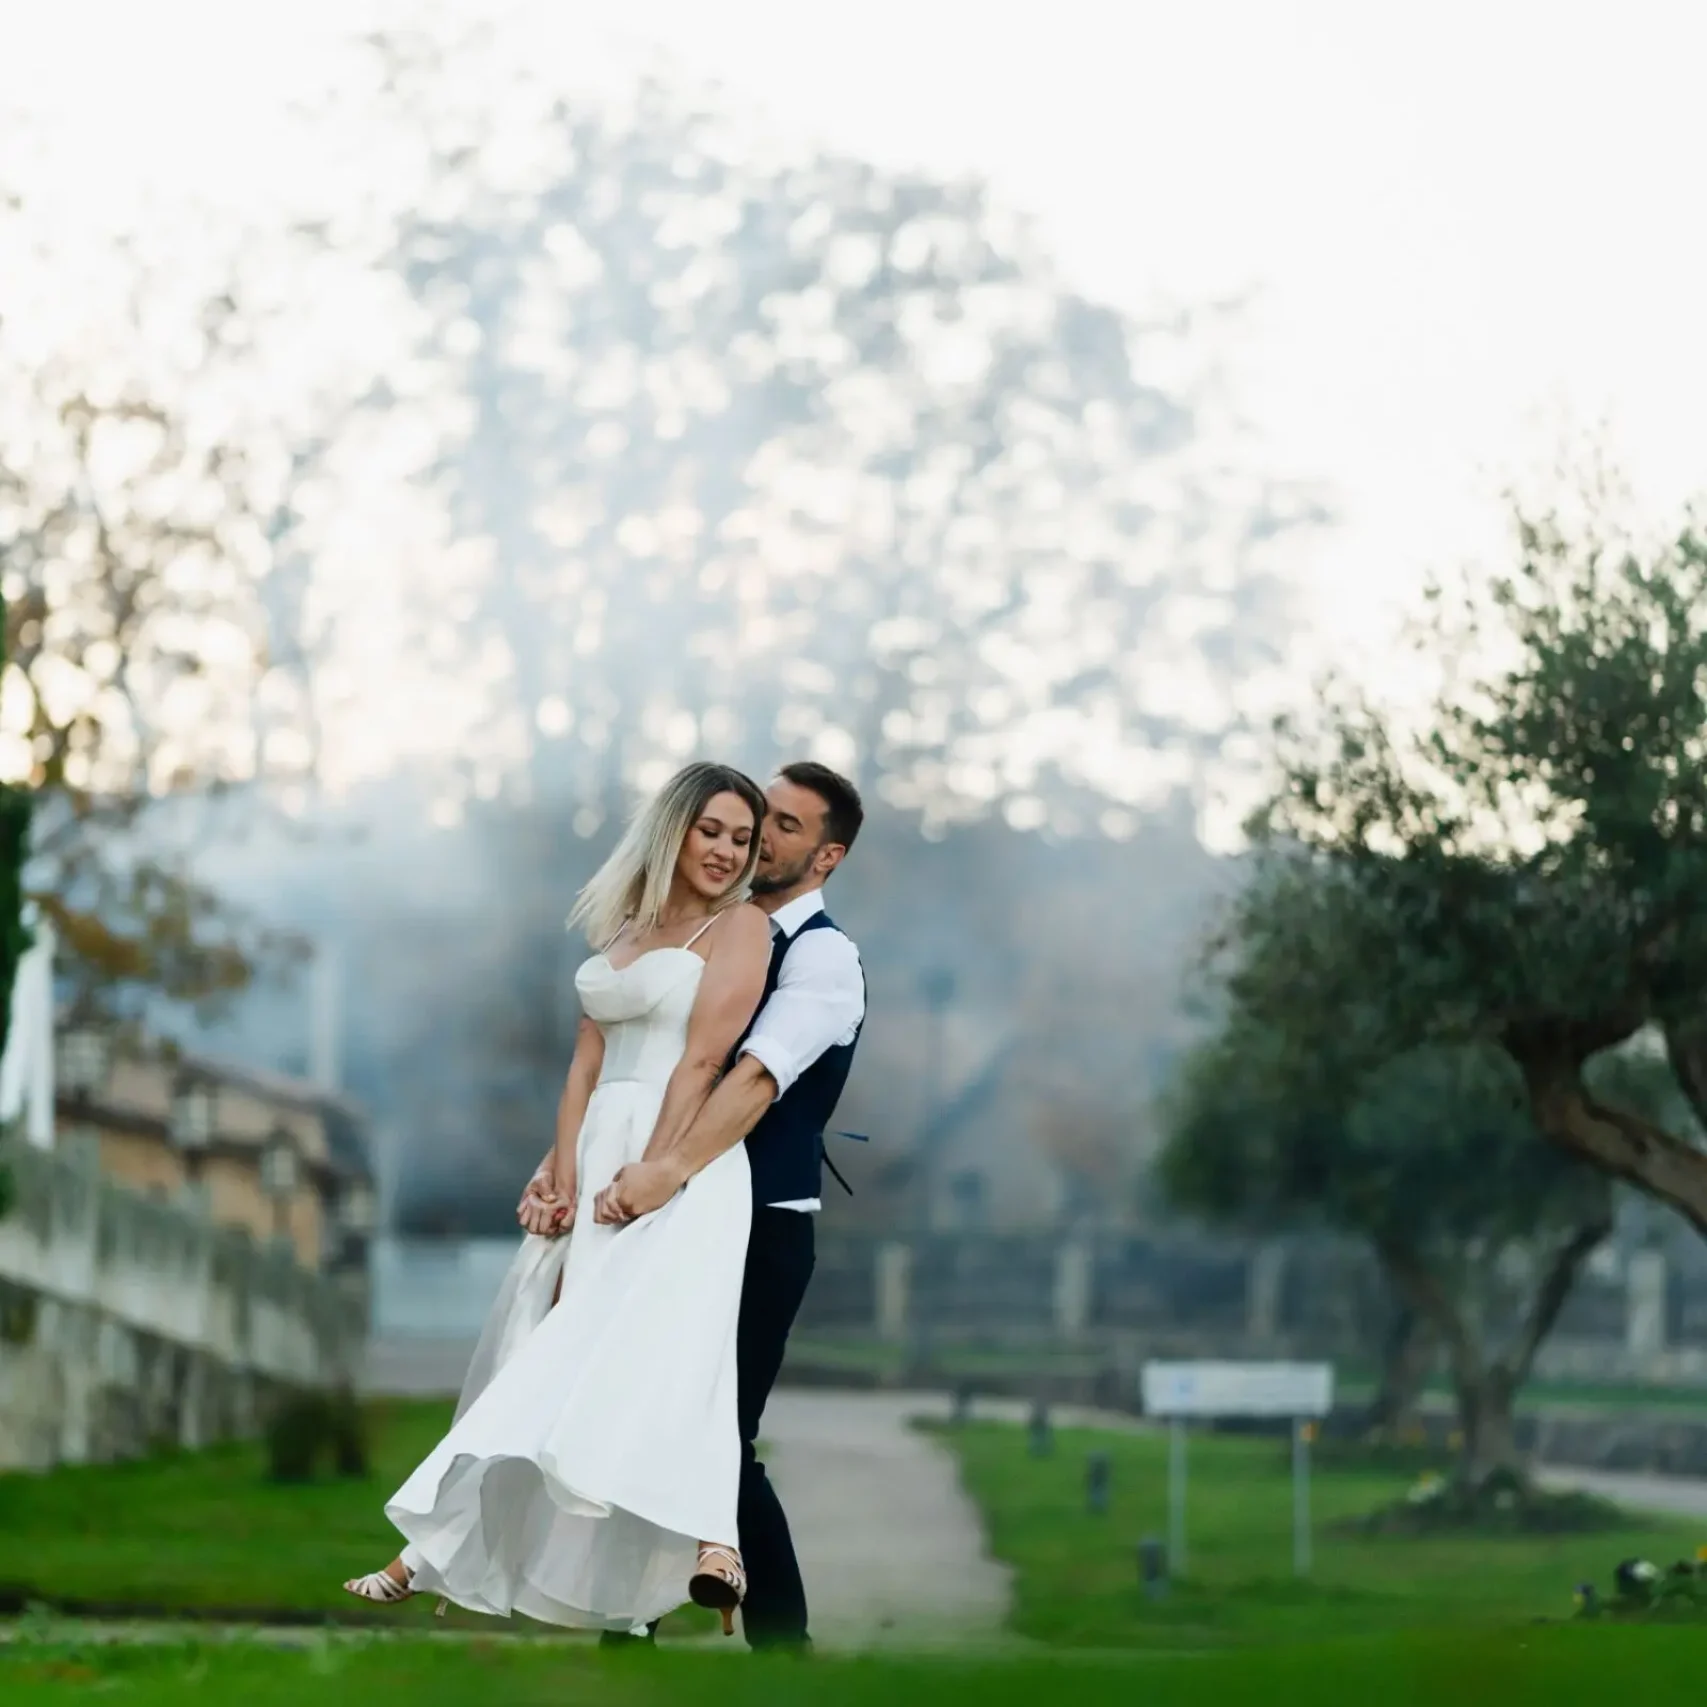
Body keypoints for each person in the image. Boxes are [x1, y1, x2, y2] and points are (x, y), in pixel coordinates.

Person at [342, 761, 774, 1634]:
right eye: (712, 831)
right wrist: (562, 1170)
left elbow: (701, 1061)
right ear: (674, 829)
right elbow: (585, 1059)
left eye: (743, 839)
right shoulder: (628, 924)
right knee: (549, 1343)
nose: (727, 851)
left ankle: (707, 1544)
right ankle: (454, 1548)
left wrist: (653, 1174)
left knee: (664, 1353)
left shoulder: (743, 931)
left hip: (680, 1160)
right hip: (604, 1144)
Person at [531, 760, 867, 1653]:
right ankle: (627, 1623)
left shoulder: (822, 955)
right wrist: (565, 1163)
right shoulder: (708, 927)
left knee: (720, 1428)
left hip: (759, 1221)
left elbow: (752, 1076)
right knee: (636, 1406)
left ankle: (784, 1646)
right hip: (671, 1201)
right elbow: (626, 1063)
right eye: (760, 818)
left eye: (785, 826)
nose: (760, 834)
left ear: (827, 855)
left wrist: (667, 1168)